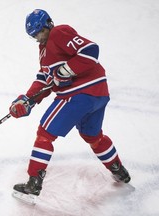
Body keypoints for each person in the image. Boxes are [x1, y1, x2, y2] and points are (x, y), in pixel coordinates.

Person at [9, 9, 131, 201]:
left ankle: (34, 182)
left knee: (44, 134)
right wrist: (28, 99)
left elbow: (91, 50)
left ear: (48, 24)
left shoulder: (59, 33)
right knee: (93, 136)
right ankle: (119, 169)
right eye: (34, 36)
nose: (38, 38)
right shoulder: (44, 50)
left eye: (40, 32)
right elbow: (45, 79)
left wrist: (65, 70)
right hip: (98, 95)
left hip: (79, 94)